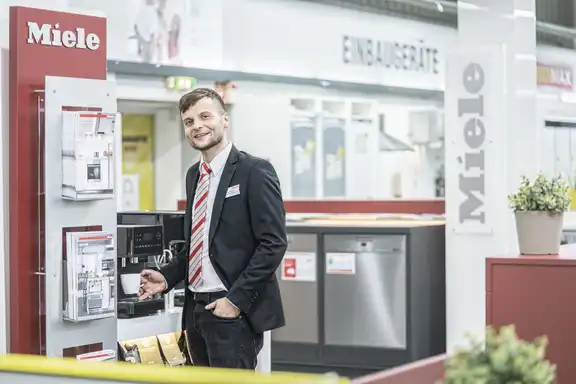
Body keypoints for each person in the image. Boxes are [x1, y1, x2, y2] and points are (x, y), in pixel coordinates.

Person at [139, 88, 287, 369]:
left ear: (224, 119)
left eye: (205, 116)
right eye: (189, 121)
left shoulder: (254, 171)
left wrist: (235, 301)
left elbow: (273, 243)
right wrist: (167, 277)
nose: (197, 126)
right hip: (195, 310)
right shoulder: (194, 175)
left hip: (231, 311)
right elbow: (200, 244)